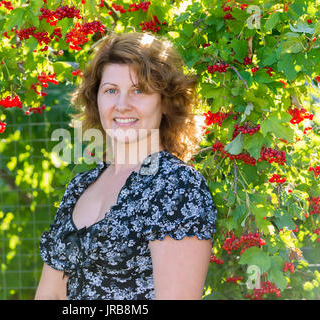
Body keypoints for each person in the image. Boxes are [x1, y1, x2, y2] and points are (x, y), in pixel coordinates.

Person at [35, 32, 217, 300]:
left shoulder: (176, 186)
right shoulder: (80, 187)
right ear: (96, 99)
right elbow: (50, 295)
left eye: (139, 90)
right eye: (111, 90)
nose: (122, 105)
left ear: (165, 101)